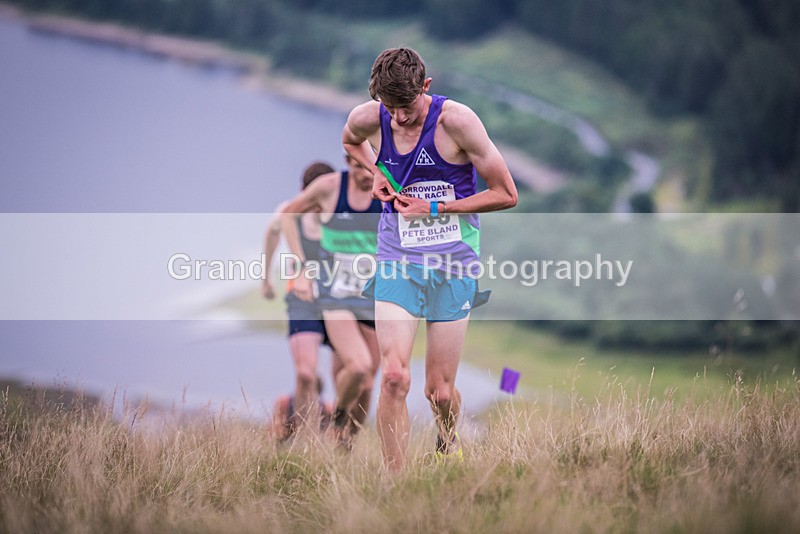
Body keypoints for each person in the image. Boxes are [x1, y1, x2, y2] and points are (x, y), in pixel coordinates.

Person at [342, 47, 518, 471]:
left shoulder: (457, 122)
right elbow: (350, 139)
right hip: (398, 255)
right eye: (389, 108)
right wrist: (378, 174)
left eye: (406, 107)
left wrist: (435, 210)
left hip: (454, 260)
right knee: (395, 377)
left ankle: (448, 436)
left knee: (439, 392)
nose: (398, 118)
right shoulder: (371, 116)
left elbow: (507, 194)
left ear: (426, 87)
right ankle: (396, 484)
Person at [280, 155, 383, 448]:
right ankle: (337, 415)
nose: (365, 174)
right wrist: (300, 265)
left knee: (366, 384)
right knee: (359, 367)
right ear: (348, 160)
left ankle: (345, 442)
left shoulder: (388, 189)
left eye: (372, 168)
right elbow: (289, 213)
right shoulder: (330, 187)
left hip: (372, 299)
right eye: (358, 166)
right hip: (335, 297)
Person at [262, 160, 337, 438]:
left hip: (339, 300)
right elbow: (271, 233)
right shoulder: (289, 213)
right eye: (312, 199)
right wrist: (266, 278)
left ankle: (341, 435)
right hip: (302, 300)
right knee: (306, 373)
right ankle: (306, 439)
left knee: (349, 372)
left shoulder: (341, 213)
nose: (317, 206)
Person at [269, 375, 335, 442]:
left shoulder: (327, 410)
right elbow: (274, 433)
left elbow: (334, 435)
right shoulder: (284, 403)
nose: (305, 393)